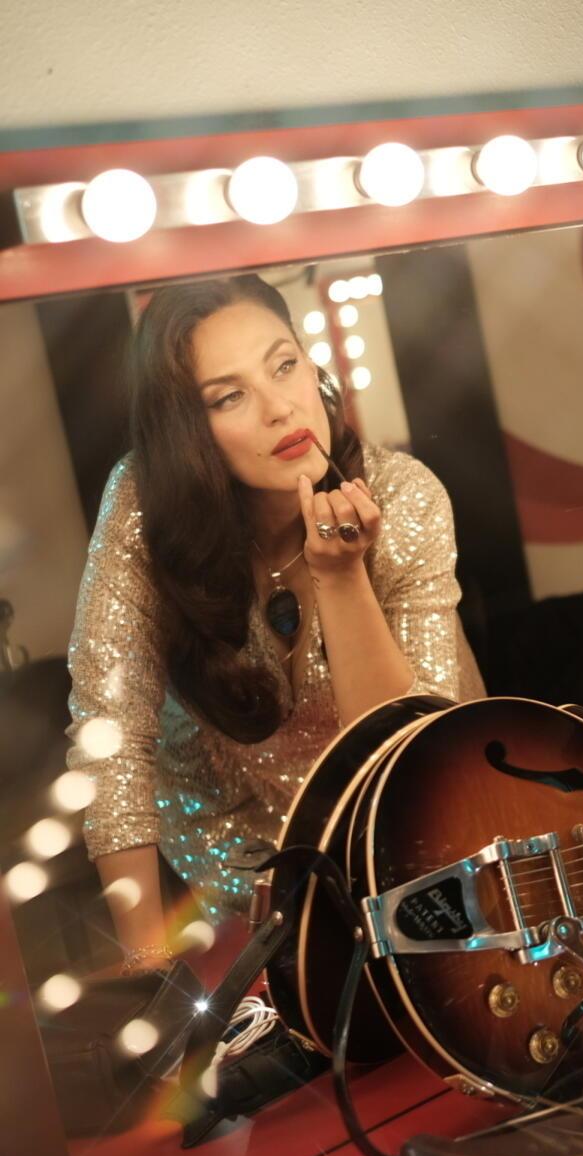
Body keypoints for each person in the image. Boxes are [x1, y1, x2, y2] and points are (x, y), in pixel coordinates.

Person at [67, 274, 485, 973]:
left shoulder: (403, 496)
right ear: (185, 432)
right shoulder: (144, 507)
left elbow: (408, 756)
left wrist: (340, 577)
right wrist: (147, 970)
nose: (278, 408)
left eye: (284, 365)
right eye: (228, 397)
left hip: (413, 851)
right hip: (233, 886)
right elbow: (110, 741)